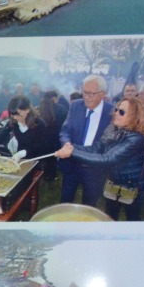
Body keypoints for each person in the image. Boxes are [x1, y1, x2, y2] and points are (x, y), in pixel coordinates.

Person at [56, 96, 144, 221]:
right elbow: (97, 148)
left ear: (134, 116)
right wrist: (71, 147)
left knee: (132, 219)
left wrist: (71, 153)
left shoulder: (135, 139)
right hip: (113, 182)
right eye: (116, 109)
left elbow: (107, 159)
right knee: (110, 216)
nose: (116, 113)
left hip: (132, 186)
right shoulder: (113, 129)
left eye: (122, 112)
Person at [58, 75, 112, 205]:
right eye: (84, 92)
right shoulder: (76, 105)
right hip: (72, 162)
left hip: (94, 167)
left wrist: (73, 149)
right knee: (66, 198)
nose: (87, 97)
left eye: (91, 93)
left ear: (103, 94)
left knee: (89, 202)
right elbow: (65, 130)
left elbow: (106, 144)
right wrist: (66, 144)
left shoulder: (111, 112)